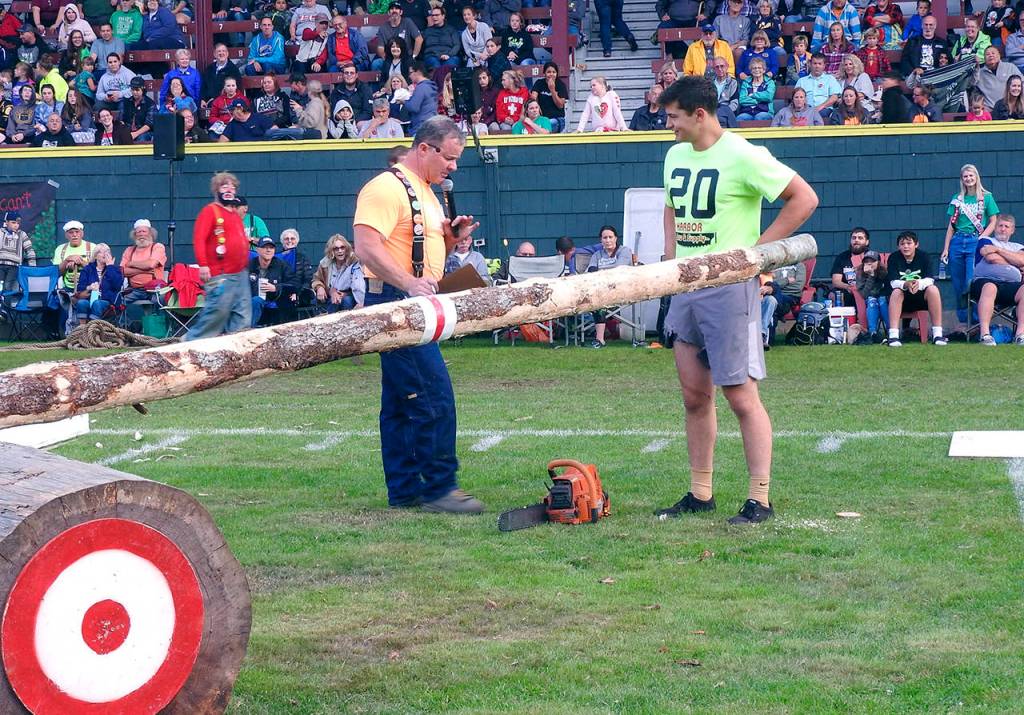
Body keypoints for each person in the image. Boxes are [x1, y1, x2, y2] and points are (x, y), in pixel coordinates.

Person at [657, 75, 818, 525]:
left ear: (699, 114)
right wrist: (671, 264)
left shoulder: (744, 154)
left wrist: (756, 254)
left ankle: (759, 499)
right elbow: (671, 206)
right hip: (685, 285)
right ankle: (700, 492)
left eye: (673, 117)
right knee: (693, 395)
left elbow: (803, 198)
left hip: (729, 288)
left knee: (740, 395)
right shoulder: (674, 155)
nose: (669, 125)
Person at [352, 115, 484, 514]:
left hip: (409, 300)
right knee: (433, 396)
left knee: (399, 402)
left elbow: (408, 242)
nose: (453, 167)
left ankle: (405, 489)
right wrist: (409, 284)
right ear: (424, 148)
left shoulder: (423, 190)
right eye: (449, 157)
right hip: (398, 303)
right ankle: (440, 488)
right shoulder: (385, 189)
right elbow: (366, 246)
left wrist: (450, 239)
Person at [186, 172, 251, 340]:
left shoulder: (234, 214)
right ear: (216, 189)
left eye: (233, 187)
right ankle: (190, 343)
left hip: (240, 274)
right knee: (216, 314)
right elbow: (199, 239)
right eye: (225, 186)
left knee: (242, 315)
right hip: (221, 274)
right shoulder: (210, 211)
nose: (229, 190)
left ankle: (235, 350)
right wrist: (203, 265)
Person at [942, 164, 999, 328]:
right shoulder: (957, 199)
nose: (968, 179)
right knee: (958, 283)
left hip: (975, 240)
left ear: (976, 177)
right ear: (962, 179)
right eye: (965, 176)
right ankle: (963, 322)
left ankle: (977, 322)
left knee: (971, 281)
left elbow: (993, 220)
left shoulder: (986, 197)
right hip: (957, 242)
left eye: (971, 176)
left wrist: (982, 237)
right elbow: (951, 226)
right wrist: (946, 248)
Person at [886, 230, 948, 346]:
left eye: (909, 243)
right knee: (896, 292)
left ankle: (937, 335)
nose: (905, 247)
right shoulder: (894, 258)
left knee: (933, 289)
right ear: (898, 246)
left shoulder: (924, 257)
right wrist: (906, 284)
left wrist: (917, 284)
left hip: (921, 297)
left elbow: (930, 279)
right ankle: (893, 336)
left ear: (916, 244)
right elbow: (893, 282)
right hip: (902, 299)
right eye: (902, 244)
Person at [971, 213, 1024, 345]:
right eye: (1000, 225)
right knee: (990, 287)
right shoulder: (985, 240)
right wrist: (1015, 262)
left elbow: (1022, 260)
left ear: (1012, 230)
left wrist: (997, 250)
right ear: (995, 228)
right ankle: (985, 335)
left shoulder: (1018, 246)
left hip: (1011, 286)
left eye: (1007, 226)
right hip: (984, 282)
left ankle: (1020, 334)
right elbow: (991, 258)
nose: (1003, 229)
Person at [584, 225, 634, 348]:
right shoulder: (597, 255)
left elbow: (619, 270)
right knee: (597, 299)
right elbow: (591, 270)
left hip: (621, 288)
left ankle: (600, 339)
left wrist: (601, 272)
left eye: (610, 237)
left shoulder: (624, 251)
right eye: (604, 238)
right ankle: (600, 339)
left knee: (598, 300)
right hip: (600, 289)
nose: (608, 240)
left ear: (616, 238)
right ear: (601, 240)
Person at [248, 236, 295, 327]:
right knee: (256, 300)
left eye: (271, 248)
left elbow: (293, 284)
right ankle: (248, 330)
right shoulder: (250, 265)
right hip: (253, 301)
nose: (268, 250)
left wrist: (276, 288)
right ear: (258, 250)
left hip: (276, 300)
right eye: (265, 247)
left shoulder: (281, 264)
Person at [312, 234, 364, 312]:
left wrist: (345, 294)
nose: (340, 251)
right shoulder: (325, 263)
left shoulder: (354, 261)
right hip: (330, 296)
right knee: (332, 302)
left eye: (342, 247)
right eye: (336, 248)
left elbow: (359, 285)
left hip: (350, 296)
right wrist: (319, 287)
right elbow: (316, 279)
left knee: (346, 301)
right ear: (331, 251)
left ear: (346, 248)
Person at [73, 243, 123, 324]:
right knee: (81, 303)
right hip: (89, 299)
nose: (105, 254)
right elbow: (80, 288)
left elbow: (117, 285)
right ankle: (82, 329)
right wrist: (89, 287)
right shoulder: (87, 269)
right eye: (101, 252)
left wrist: (110, 266)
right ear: (95, 256)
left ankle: (93, 330)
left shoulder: (115, 269)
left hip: (108, 301)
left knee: (97, 304)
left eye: (107, 251)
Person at [120, 218, 166, 304]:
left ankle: (158, 318)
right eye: (138, 232)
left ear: (150, 233)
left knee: (159, 300)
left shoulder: (157, 247)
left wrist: (131, 264)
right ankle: (123, 318)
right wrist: (146, 269)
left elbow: (151, 264)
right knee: (118, 301)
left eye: (144, 231)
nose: (141, 234)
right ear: (134, 235)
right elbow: (122, 271)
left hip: (154, 289)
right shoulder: (129, 250)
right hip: (134, 290)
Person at [830, 226, 870, 317]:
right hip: (847, 290)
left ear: (867, 242)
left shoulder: (872, 257)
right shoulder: (842, 257)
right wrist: (848, 287)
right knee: (834, 295)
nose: (856, 240)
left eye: (860, 238)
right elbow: (836, 281)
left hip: (866, 291)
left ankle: (868, 327)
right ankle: (842, 325)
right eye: (854, 238)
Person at [276, 228, 315, 314]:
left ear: (297, 241)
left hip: (301, 292)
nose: (289, 241)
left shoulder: (303, 258)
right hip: (282, 292)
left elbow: (308, 279)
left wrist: (297, 293)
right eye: (286, 239)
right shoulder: (277, 258)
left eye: (292, 238)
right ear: (282, 242)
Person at [0, 212, 36, 302]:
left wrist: (33, 267)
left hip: (14, 266)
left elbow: (30, 250)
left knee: (8, 287)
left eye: (18, 223)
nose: (16, 225)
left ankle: (5, 310)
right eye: (13, 222)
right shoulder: (0, 233)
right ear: (6, 222)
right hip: (0, 264)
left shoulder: (22, 234)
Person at [855, 249, 888, 338]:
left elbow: (887, 289)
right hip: (869, 301)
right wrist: (871, 276)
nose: (869, 264)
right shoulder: (860, 273)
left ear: (878, 262)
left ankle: (890, 330)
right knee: (872, 301)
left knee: (882, 300)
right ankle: (872, 332)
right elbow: (864, 294)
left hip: (884, 299)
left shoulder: (884, 272)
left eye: (872, 261)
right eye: (866, 261)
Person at [795, 53, 841, 117]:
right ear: (810, 64)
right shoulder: (801, 81)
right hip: (805, 110)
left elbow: (834, 97)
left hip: (824, 110)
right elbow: (796, 97)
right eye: (815, 63)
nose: (817, 66)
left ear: (824, 65)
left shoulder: (830, 79)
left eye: (820, 64)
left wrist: (821, 107)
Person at [399, 62, 437, 134]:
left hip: (422, 128)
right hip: (430, 126)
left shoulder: (421, 87)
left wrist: (404, 102)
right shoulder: (430, 86)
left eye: (410, 73)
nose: (409, 76)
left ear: (418, 72)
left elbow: (414, 107)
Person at [530, 61, 567, 133]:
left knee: (547, 124)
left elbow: (560, 105)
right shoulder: (539, 83)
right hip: (542, 119)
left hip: (557, 119)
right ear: (544, 74)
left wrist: (552, 90)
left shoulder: (561, 85)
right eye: (549, 72)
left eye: (554, 72)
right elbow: (533, 98)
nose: (551, 74)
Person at [736, 56, 775, 120]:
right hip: (747, 112)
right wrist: (758, 101)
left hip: (765, 112)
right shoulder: (746, 82)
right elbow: (742, 99)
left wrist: (753, 95)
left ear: (764, 70)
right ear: (751, 71)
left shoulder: (769, 82)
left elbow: (769, 96)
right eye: (754, 68)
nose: (757, 70)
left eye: (759, 68)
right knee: (740, 118)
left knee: (759, 117)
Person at [491, 68, 527, 132]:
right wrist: (505, 118)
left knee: (516, 127)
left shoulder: (525, 92)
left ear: (511, 80)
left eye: (504, 80)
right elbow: (499, 110)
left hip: (519, 121)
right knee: (506, 128)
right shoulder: (502, 93)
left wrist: (514, 120)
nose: (502, 82)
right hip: (504, 122)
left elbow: (526, 111)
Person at [121, 76, 155, 141]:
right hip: (128, 131)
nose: (134, 92)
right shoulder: (126, 102)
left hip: (145, 132)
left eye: (137, 90)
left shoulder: (150, 103)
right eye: (132, 89)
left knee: (141, 138)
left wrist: (135, 134)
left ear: (143, 89)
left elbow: (149, 124)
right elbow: (121, 120)